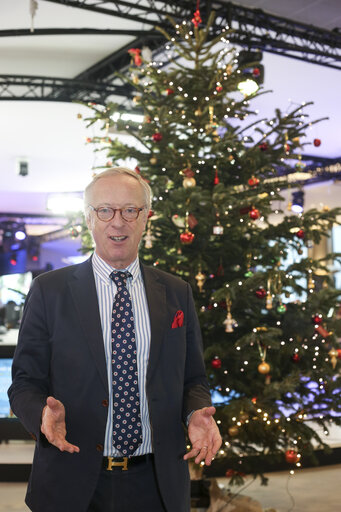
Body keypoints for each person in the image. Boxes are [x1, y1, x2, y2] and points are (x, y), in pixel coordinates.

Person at [8, 167, 222, 512]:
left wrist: (196, 410)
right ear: (89, 219)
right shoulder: (50, 291)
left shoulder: (176, 292)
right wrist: (41, 417)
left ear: (146, 219)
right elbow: (24, 383)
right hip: (71, 479)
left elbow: (193, 378)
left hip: (157, 484)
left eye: (130, 210)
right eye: (104, 210)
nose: (117, 222)